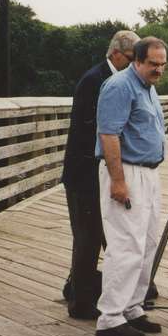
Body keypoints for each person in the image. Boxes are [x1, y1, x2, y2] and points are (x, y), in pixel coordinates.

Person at [94, 37, 168, 336]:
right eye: (153, 64)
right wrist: (118, 180)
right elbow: (108, 134)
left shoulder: (148, 88)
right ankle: (110, 317)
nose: (158, 70)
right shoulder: (119, 86)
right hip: (127, 171)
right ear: (136, 60)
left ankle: (132, 307)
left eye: (162, 65)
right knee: (126, 244)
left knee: (148, 242)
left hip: (149, 173)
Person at [60, 30, 139, 319]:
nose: (133, 65)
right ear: (116, 53)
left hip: (97, 173)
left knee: (99, 236)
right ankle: (80, 304)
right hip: (84, 175)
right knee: (88, 238)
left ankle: (81, 289)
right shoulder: (95, 80)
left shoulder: (111, 79)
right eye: (131, 59)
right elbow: (94, 132)